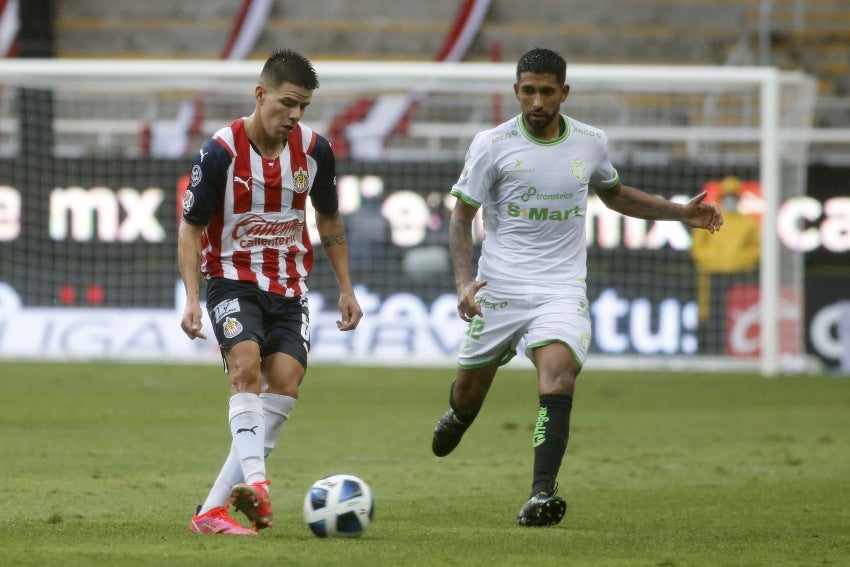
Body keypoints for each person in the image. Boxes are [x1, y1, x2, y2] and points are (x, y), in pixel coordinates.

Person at [430, 47, 724, 527]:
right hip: (500, 285)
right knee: (468, 392)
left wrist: (679, 212)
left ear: (564, 92)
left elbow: (614, 195)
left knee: (560, 374)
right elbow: (461, 216)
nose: (537, 100)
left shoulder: (590, 142)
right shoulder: (491, 144)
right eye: (529, 91)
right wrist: (464, 281)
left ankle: (541, 494)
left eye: (548, 91)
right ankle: (460, 416)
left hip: (561, 286)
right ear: (516, 91)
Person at [178, 49, 363, 535]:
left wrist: (347, 288)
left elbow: (328, 218)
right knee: (245, 367)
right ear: (261, 95)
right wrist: (193, 298)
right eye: (287, 103)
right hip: (230, 279)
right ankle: (257, 485)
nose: (295, 115)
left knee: (286, 379)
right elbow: (191, 228)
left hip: (288, 285)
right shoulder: (221, 151)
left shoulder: (316, 151)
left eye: (303, 106)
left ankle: (211, 512)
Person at [690, 175, 761, 353]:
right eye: (727, 195)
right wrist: (710, 260)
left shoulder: (748, 223)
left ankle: (734, 349)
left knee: (735, 315)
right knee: (711, 314)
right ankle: (708, 351)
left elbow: (757, 249)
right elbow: (698, 247)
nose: (730, 199)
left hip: (738, 275)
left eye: (734, 196)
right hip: (712, 274)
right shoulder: (709, 217)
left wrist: (741, 261)